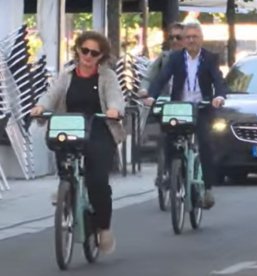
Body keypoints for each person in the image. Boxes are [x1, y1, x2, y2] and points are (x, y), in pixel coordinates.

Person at [31, 31, 126, 254]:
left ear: (101, 56)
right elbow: (50, 95)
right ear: (78, 50)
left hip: (99, 128)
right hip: (70, 126)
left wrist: (114, 109)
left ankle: (103, 227)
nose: (88, 56)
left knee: (97, 181)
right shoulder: (66, 75)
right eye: (85, 50)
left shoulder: (107, 76)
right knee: (61, 147)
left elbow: (115, 97)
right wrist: (41, 107)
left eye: (94, 53)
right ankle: (67, 186)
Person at [143, 22, 227, 209]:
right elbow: (161, 78)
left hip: (201, 108)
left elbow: (218, 80)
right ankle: (171, 174)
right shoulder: (175, 58)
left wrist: (219, 96)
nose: (190, 40)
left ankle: (208, 188)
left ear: (201, 39)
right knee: (168, 139)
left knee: (205, 142)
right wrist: (151, 96)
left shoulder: (210, 58)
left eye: (194, 37)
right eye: (187, 37)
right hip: (179, 108)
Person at [139, 22, 185, 191]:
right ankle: (166, 172)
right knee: (166, 137)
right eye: (171, 37)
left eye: (178, 37)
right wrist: (144, 90)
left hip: (189, 107)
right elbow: (149, 77)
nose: (174, 40)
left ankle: (200, 175)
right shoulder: (164, 58)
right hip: (169, 106)